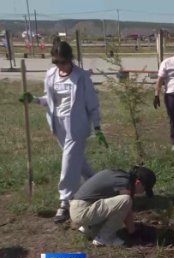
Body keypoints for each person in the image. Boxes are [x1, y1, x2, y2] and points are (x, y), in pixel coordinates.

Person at [19, 38, 108, 224]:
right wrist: (34, 99)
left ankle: (65, 201)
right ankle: (99, 185)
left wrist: (98, 127)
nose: (60, 65)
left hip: (77, 125)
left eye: (63, 61)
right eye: (56, 61)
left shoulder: (82, 77)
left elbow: (93, 105)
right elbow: (49, 100)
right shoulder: (51, 75)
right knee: (76, 160)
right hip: (57, 123)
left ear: (70, 59)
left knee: (68, 160)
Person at [70, 166, 156, 247]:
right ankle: (105, 238)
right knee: (126, 200)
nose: (143, 192)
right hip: (81, 212)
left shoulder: (120, 176)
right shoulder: (125, 184)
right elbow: (127, 209)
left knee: (119, 202)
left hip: (79, 206)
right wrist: (133, 233)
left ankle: (90, 228)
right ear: (138, 183)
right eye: (144, 189)